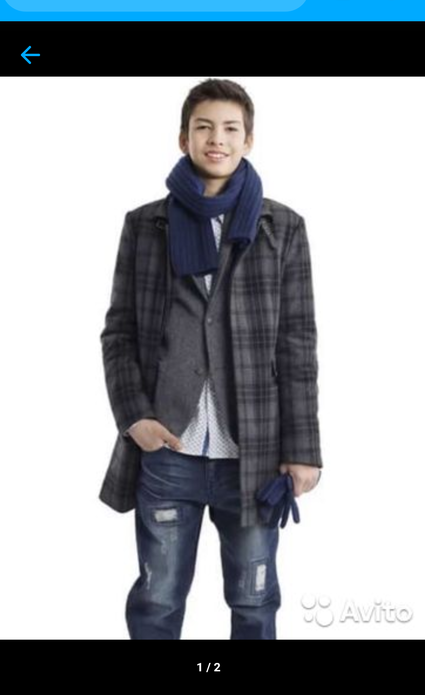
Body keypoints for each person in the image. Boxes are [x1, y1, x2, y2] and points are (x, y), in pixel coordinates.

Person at [98, 78, 323, 640]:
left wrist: (302, 449)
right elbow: (119, 332)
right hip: (168, 449)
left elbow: (297, 344)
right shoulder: (144, 225)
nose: (216, 139)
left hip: (254, 454)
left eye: (229, 128)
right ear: (184, 138)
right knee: (157, 599)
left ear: (248, 140)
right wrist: (135, 418)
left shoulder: (283, 228)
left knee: (254, 600)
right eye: (203, 127)